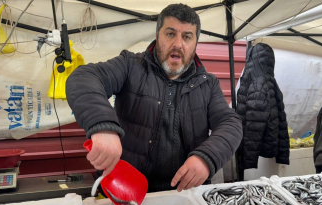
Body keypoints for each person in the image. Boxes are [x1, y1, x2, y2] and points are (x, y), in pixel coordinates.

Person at [66, 4, 242, 193]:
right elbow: (84, 78)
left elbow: (230, 122)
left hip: (183, 194)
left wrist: (207, 157)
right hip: (123, 190)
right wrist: (103, 126)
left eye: (187, 37)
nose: (178, 44)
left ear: (195, 43)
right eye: (170, 34)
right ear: (158, 36)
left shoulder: (208, 84)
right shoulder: (130, 65)